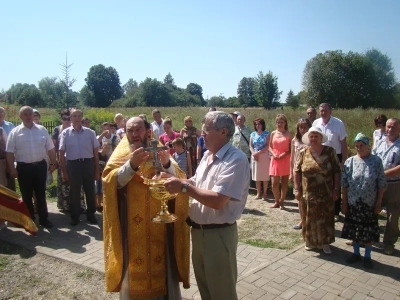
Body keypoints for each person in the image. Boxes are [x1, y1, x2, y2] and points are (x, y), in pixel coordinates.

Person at [165, 111, 250, 300]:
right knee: (206, 291)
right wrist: (175, 180)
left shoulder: (235, 159)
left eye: (207, 129)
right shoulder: (207, 156)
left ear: (223, 132)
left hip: (219, 236)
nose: (202, 133)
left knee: (222, 294)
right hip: (199, 233)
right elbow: (196, 182)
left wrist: (183, 187)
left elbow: (218, 200)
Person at [102, 116, 190, 299]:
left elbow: (179, 176)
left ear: (147, 130)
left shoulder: (157, 147)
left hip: (160, 221)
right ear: (125, 132)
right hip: (131, 224)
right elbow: (110, 181)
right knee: (132, 268)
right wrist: (131, 165)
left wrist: (166, 164)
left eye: (138, 129)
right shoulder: (121, 152)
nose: (135, 134)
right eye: (130, 130)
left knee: (163, 266)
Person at [5, 106, 57, 228]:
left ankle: (44, 219)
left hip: (40, 166)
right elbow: (9, 152)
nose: (28, 116)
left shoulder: (42, 129)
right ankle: (30, 220)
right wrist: (12, 168)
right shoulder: (15, 132)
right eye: (25, 114)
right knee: (26, 195)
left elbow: (50, 148)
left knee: (41, 194)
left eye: (30, 113)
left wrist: (53, 163)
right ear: (20, 117)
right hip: (24, 168)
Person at [341, 133, 386, 268]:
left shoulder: (376, 161)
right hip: (354, 202)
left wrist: (379, 202)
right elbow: (344, 184)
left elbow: (381, 184)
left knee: (368, 231)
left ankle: (367, 256)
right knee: (354, 230)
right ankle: (356, 253)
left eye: (362, 145)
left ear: (368, 146)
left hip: (369, 202)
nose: (359, 148)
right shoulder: (350, 161)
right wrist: (344, 202)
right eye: (357, 146)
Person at [294, 127, 341, 254]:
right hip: (308, 193)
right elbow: (297, 171)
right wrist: (297, 189)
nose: (313, 138)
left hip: (326, 193)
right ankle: (310, 242)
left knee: (325, 218)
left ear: (321, 138)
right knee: (309, 217)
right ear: (308, 138)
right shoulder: (303, 151)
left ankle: (324, 243)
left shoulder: (330, 151)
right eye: (311, 136)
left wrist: (336, 189)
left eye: (316, 136)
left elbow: (337, 171)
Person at [59, 109, 100, 226]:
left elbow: (95, 153)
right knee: (75, 192)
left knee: (90, 190)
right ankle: (75, 216)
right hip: (73, 165)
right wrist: (64, 171)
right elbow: (61, 154)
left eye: (79, 116)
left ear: (82, 117)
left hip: (88, 164)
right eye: (74, 116)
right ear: (70, 118)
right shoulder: (65, 133)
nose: (76, 118)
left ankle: (91, 214)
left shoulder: (90, 133)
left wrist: (97, 169)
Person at [313, 103, 348, 222]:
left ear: (330, 111)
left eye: (325, 110)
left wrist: (343, 161)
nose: (323, 113)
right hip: (320, 157)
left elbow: (343, 144)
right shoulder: (316, 123)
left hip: (335, 157)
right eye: (321, 111)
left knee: (335, 184)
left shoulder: (338, 123)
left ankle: (335, 211)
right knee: (321, 183)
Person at [372, 118, 400, 255]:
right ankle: (368, 237)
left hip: (394, 185)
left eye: (393, 127)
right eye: (388, 127)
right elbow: (372, 157)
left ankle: (389, 243)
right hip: (377, 184)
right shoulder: (380, 141)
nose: (390, 130)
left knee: (392, 216)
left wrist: (383, 174)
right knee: (372, 210)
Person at [52, 109, 86, 213]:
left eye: (68, 118)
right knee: (64, 183)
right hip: (62, 160)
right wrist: (54, 161)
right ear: (61, 119)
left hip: (76, 160)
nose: (67, 121)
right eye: (64, 119)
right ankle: (65, 205)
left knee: (78, 184)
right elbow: (53, 146)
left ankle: (80, 205)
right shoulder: (57, 130)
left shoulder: (78, 130)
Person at [289, 118, 311, 229]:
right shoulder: (295, 140)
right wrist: (291, 173)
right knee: (299, 197)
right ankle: (302, 220)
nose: (302, 129)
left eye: (305, 127)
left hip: (308, 172)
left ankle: (309, 220)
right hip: (297, 172)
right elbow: (292, 158)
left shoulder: (312, 139)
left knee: (308, 197)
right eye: (300, 127)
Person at [269, 114, 292, 209]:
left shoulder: (289, 134)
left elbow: (291, 149)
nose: (280, 124)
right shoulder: (273, 133)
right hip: (275, 159)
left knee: (285, 182)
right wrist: (273, 154)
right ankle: (276, 201)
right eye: (278, 122)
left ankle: (282, 201)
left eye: (282, 122)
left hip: (285, 159)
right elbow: (269, 146)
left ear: (285, 123)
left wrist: (285, 154)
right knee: (274, 183)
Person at [249, 118, 270, 200]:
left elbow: (268, 146)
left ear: (262, 125)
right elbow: (250, 146)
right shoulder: (252, 134)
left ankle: (265, 193)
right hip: (255, 156)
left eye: (259, 124)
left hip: (263, 156)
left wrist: (258, 153)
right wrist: (254, 153)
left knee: (264, 176)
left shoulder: (267, 134)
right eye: (256, 124)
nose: (258, 126)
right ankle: (258, 193)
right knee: (257, 175)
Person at [0, 106, 16, 191]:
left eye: (1, 113)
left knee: (9, 184)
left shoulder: (10, 126)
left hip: (6, 159)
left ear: (4, 114)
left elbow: (10, 146)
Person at [95, 142, 111, 213]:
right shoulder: (98, 154)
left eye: (108, 148)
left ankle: (99, 204)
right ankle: (95, 204)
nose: (107, 149)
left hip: (102, 175)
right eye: (106, 147)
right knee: (95, 189)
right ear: (102, 147)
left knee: (100, 190)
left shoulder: (106, 157)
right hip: (96, 174)